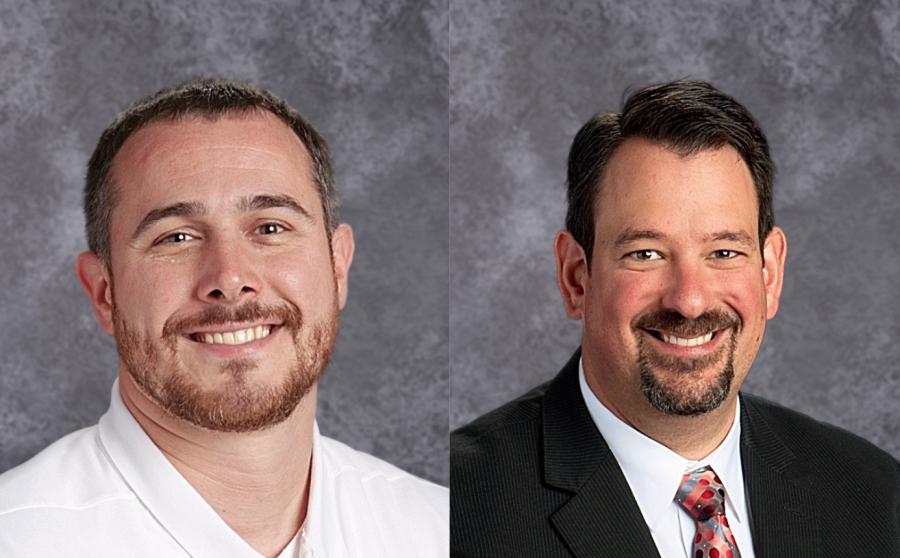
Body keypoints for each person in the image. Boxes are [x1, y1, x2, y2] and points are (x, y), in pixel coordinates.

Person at [0, 78, 448, 558]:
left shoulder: (435, 528)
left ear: (337, 267)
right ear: (104, 293)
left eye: (271, 227)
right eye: (176, 237)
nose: (230, 278)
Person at [450, 81, 900, 557]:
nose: (689, 300)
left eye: (724, 252)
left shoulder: (874, 497)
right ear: (576, 278)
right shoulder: (455, 511)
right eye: (645, 253)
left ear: (770, 274)